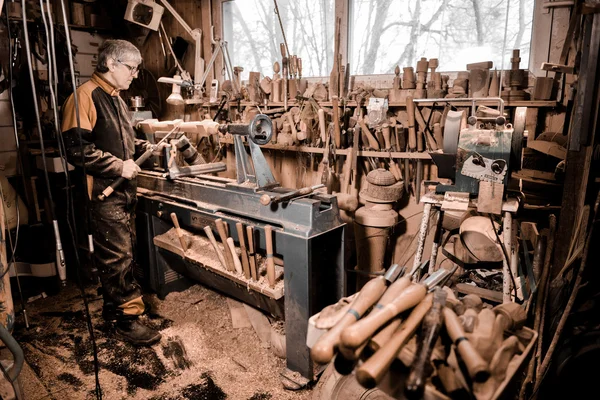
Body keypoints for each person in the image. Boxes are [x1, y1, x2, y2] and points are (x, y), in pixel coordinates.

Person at [61, 39, 161, 346]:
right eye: (131, 68)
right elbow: (76, 150)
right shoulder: (84, 97)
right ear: (112, 64)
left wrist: (149, 147)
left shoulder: (116, 98)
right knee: (117, 255)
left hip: (123, 191)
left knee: (121, 253)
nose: (134, 75)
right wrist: (119, 167)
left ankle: (114, 308)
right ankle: (126, 320)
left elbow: (124, 144)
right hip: (102, 192)